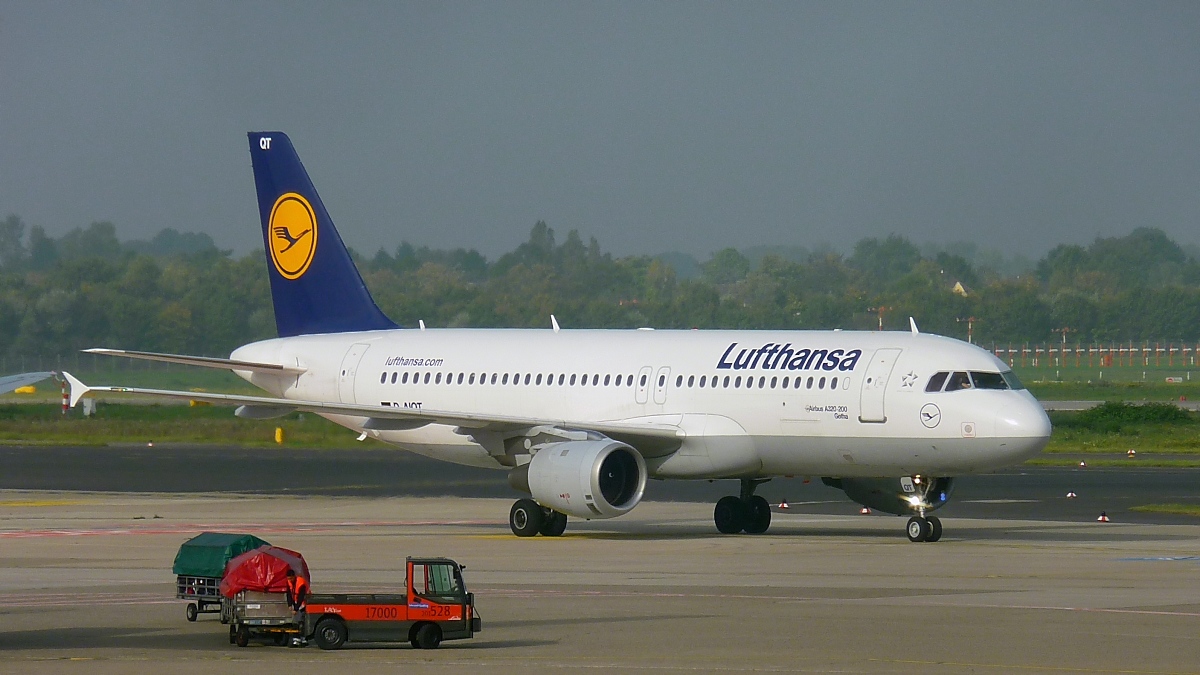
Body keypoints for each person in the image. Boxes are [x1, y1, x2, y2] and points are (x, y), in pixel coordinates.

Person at [285, 568, 308, 647]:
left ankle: (302, 639)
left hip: (303, 604)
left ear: (294, 576)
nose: (290, 580)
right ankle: (298, 639)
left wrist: (296, 609)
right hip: (296, 603)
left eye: (291, 578)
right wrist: (290, 604)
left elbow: (301, 597)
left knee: (301, 622)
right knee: (296, 622)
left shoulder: (301, 583)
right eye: (288, 579)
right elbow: (289, 594)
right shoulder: (289, 582)